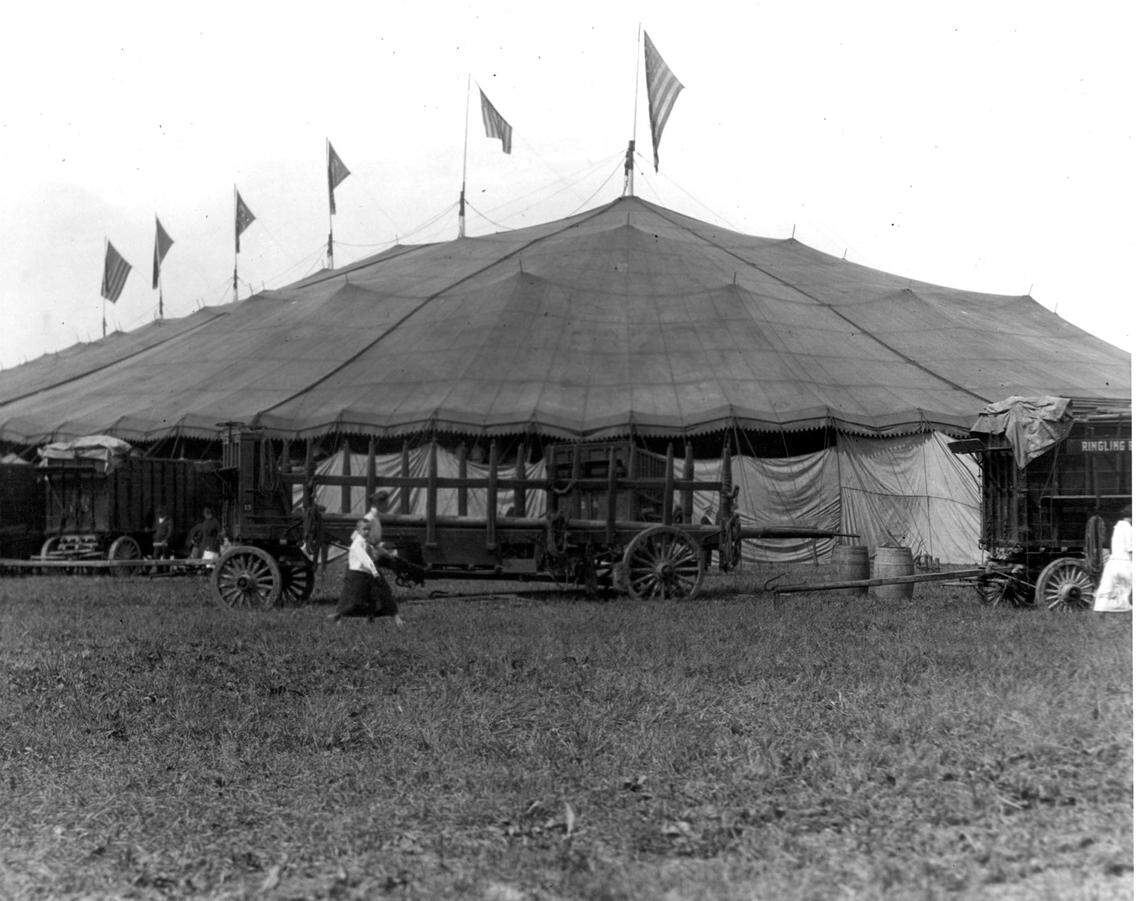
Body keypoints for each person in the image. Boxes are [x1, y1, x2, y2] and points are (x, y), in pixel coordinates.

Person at [329, 517, 403, 625]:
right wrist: (375, 572)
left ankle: (392, 618)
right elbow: (365, 559)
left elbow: (376, 549)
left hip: (368, 572)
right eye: (364, 529)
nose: (367, 531)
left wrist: (388, 555)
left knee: (383, 593)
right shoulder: (357, 544)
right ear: (358, 530)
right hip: (357, 574)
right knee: (354, 599)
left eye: (369, 529)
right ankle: (338, 616)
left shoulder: (367, 541)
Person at [1093, 505, 1132, 613]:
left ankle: (1101, 613)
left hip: (1113, 563)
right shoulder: (1128, 528)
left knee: (1107, 590)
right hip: (1124, 563)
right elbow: (1130, 549)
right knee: (1124, 591)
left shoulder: (1117, 527)